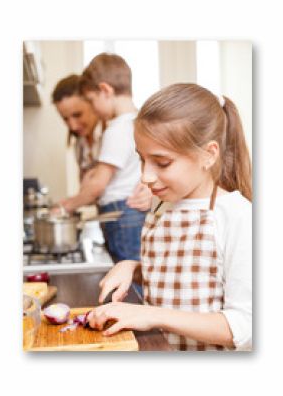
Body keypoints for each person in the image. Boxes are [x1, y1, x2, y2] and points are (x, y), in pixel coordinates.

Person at [86, 83, 252, 351]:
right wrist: (133, 267)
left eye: (162, 163)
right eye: (142, 159)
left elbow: (245, 327)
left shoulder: (238, 217)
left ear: (208, 155)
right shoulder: (162, 205)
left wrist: (151, 315)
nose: (145, 176)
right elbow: (183, 277)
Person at [55, 53, 151, 263]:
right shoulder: (137, 123)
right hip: (125, 213)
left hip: (122, 213)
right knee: (132, 273)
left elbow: (98, 184)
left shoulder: (116, 129)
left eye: (90, 101)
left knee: (128, 274)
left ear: (105, 90)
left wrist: (66, 206)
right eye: (65, 119)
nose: (72, 125)